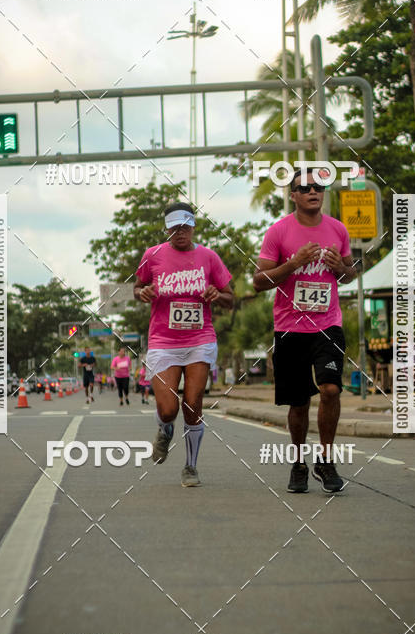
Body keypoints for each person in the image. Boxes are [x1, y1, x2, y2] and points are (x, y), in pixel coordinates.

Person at [253, 169, 357, 494]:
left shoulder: (338, 229)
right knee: (298, 403)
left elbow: (349, 273)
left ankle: (325, 460)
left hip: (328, 325)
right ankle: (298, 463)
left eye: (318, 186)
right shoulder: (278, 232)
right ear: (293, 195)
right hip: (289, 329)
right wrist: (294, 263)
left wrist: (342, 269)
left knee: (330, 390)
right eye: (305, 187)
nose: (313, 191)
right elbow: (258, 282)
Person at [134, 202, 233, 487]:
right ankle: (165, 430)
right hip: (164, 341)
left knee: (192, 403)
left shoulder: (209, 257)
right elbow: (137, 288)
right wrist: (145, 292)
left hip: (200, 339)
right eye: (174, 227)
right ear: (166, 228)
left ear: (193, 226)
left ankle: (190, 467)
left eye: (185, 226)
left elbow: (230, 298)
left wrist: (217, 294)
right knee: (168, 410)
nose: (180, 232)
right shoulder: (152, 256)